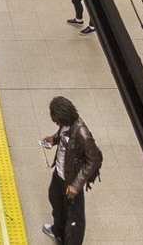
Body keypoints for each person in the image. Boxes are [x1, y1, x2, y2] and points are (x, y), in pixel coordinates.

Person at [41, 96, 103, 245]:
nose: (56, 123)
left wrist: (76, 184)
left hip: (72, 180)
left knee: (74, 218)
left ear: (64, 116)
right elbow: (62, 134)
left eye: (57, 120)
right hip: (59, 174)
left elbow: (95, 159)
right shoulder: (66, 124)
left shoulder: (82, 133)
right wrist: (53, 139)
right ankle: (58, 231)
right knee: (55, 199)